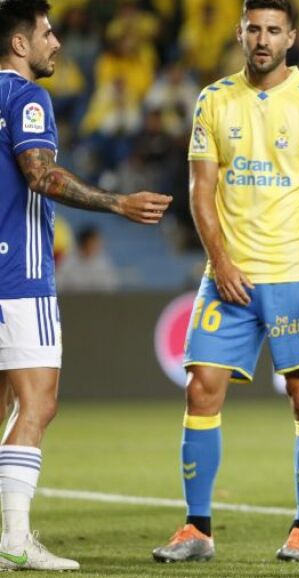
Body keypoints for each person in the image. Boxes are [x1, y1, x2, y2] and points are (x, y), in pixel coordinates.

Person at [151, 0, 299, 563]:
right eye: (254, 29)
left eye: (273, 30)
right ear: (240, 33)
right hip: (230, 277)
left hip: (296, 274)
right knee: (200, 387)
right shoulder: (214, 99)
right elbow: (200, 188)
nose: (263, 39)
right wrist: (220, 260)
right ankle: (197, 528)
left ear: (292, 37)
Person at [0, 0, 171, 570]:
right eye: (47, 34)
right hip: (19, 278)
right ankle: (15, 540)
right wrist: (116, 202)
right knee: (38, 403)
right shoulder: (26, 97)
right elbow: (40, 174)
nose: (56, 43)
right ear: (20, 44)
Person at [55, 226, 119, 292]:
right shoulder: (68, 259)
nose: (96, 246)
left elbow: (112, 285)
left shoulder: (103, 261)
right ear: (84, 243)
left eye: (97, 243)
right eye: (93, 243)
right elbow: (58, 281)